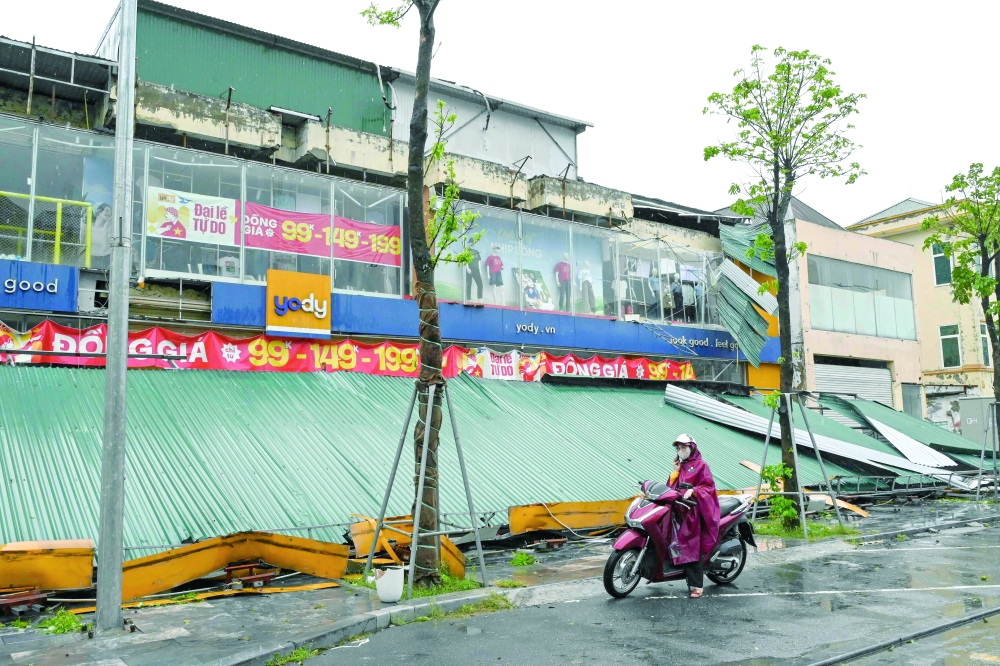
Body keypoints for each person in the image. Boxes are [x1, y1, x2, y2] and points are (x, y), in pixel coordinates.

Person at [667, 434, 721, 599]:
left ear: (692, 448)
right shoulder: (681, 467)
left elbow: (709, 488)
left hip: (695, 512)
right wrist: (675, 471)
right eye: (679, 448)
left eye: (684, 447)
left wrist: (695, 490)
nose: (681, 450)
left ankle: (697, 586)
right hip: (680, 510)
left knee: (692, 546)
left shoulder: (702, 465)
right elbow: (670, 488)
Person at [90, 203, 112, 269]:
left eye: (110, 212)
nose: (109, 214)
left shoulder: (110, 230)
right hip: (88, 259)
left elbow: (104, 249)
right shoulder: (87, 227)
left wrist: (106, 227)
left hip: (104, 260)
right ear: (98, 210)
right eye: (107, 210)